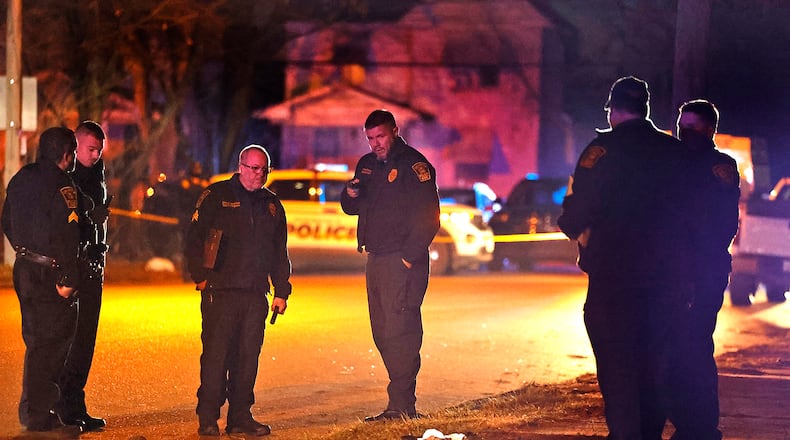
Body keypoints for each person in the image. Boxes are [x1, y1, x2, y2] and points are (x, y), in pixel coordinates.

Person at [557, 76, 695, 439]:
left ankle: (624, 434)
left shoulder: (601, 152)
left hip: (614, 278)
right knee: (655, 365)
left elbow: (577, 212)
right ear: (645, 109)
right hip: (666, 281)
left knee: (618, 367)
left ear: (614, 110)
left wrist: (570, 222)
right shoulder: (674, 151)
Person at [185, 144, 291, 437]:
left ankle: (240, 418)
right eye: (253, 168)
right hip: (221, 291)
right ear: (241, 167)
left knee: (247, 360)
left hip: (255, 294)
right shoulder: (216, 196)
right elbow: (193, 239)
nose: (259, 175)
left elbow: (278, 252)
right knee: (216, 357)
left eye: (264, 170)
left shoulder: (272, 205)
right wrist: (201, 277)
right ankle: (208, 419)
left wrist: (281, 290)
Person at [340, 109, 440, 422]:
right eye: (370, 138)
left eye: (380, 136)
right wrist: (350, 194)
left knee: (402, 329)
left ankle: (401, 405)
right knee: (382, 331)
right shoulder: (367, 165)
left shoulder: (415, 165)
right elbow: (352, 207)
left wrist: (408, 257)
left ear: (394, 131)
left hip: (403, 259)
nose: (375, 143)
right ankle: (398, 404)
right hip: (376, 257)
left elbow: (429, 217)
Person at [666, 99, 740, 440]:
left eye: (692, 126)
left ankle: (701, 426)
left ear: (709, 129)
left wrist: (693, 271)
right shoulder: (671, 159)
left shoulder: (719, 166)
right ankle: (687, 422)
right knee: (674, 348)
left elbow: (722, 224)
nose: (685, 132)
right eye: (682, 125)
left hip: (703, 270)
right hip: (674, 270)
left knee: (694, 347)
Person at [2, 127, 83, 433]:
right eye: (73, 152)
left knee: (35, 341)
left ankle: (32, 409)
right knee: (52, 344)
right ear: (66, 154)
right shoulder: (64, 185)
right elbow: (68, 235)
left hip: (24, 268)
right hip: (50, 272)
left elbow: (6, 222)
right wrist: (67, 277)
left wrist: (25, 251)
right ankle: (38, 412)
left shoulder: (21, 178)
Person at [52, 120, 109, 431]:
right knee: (70, 343)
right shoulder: (66, 178)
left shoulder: (96, 177)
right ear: (75, 145)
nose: (96, 155)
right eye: (90, 149)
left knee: (85, 342)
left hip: (93, 267)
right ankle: (64, 407)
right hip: (74, 269)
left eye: (99, 150)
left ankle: (75, 405)